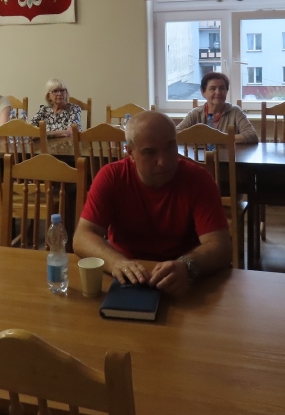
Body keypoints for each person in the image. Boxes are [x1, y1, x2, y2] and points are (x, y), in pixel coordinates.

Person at [73, 111, 232, 296]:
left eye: (170, 147)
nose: (163, 161)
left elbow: (221, 246)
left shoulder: (199, 180)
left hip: (182, 280)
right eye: (150, 152)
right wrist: (116, 262)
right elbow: (82, 236)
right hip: (126, 275)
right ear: (130, 153)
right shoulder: (112, 177)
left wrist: (187, 265)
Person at [175, 72, 258, 144]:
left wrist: (218, 139)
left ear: (226, 91)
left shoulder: (235, 111)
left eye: (222, 88)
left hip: (228, 157)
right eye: (212, 89)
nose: (218, 92)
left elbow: (252, 135)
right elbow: (175, 134)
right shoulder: (196, 113)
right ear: (203, 92)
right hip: (201, 157)